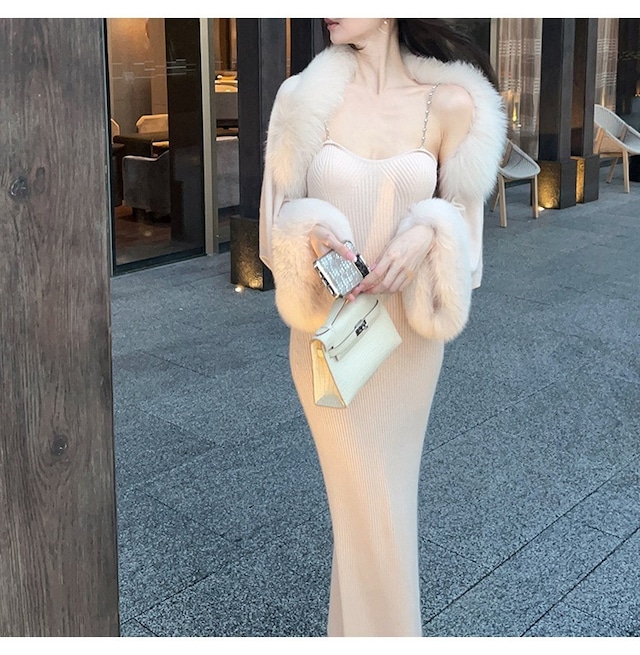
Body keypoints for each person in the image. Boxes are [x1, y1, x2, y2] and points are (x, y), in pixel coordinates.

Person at [259, 18, 507, 637]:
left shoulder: (451, 106)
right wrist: (307, 232)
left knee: (376, 513)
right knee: (370, 514)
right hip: (330, 341)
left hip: (407, 348)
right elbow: (270, 231)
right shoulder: (301, 98)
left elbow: (470, 252)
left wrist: (430, 232)